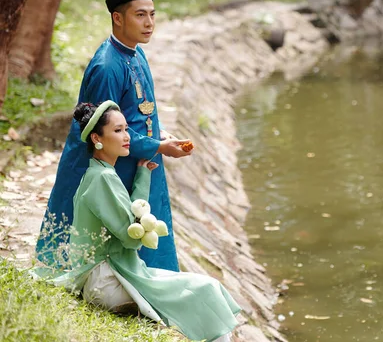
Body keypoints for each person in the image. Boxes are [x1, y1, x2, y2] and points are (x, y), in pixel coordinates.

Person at [35, 101, 240, 342]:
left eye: (126, 129)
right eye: (118, 130)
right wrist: (144, 212)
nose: (127, 137)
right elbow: (131, 238)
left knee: (201, 289)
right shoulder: (102, 179)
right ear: (96, 138)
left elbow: (130, 222)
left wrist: (142, 175)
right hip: (108, 280)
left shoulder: (99, 174)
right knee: (206, 289)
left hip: (107, 275)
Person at [36, 0, 188, 271]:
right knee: (113, 231)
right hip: (115, 163)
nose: (149, 23)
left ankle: (147, 286)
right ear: (118, 18)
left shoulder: (135, 52)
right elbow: (105, 128)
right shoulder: (107, 66)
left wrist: (160, 133)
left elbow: (142, 107)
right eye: (140, 15)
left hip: (137, 156)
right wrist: (157, 146)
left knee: (144, 223)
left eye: (153, 15)